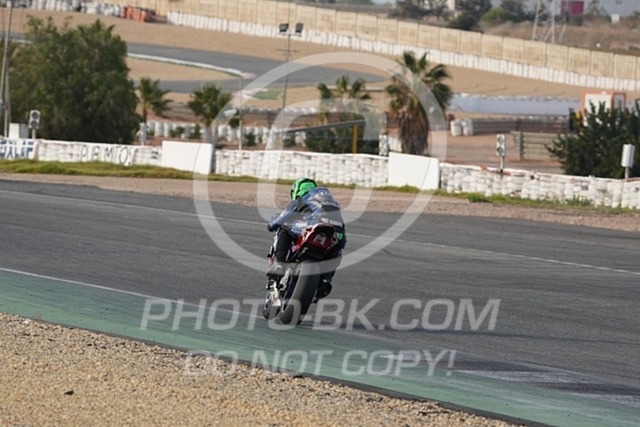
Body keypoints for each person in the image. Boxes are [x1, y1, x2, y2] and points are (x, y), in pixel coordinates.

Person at [267, 177, 346, 300]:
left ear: (297, 191)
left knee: (284, 227)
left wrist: (271, 224)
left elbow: (278, 221)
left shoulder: (302, 199)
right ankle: (325, 281)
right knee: (337, 250)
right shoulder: (332, 202)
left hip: (313, 226)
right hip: (338, 233)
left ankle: (279, 263)